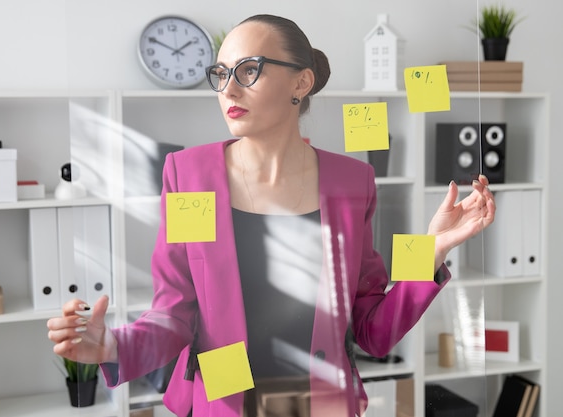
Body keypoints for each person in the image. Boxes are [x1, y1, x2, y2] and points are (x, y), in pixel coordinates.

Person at [47, 14, 496, 417]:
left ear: (301, 83)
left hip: (322, 404)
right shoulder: (189, 174)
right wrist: (113, 345)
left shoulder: (351, 182)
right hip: (224, 401)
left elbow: (371, 329)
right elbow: (176, 313)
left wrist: (430, 253)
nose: (230, 90)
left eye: (249, 70)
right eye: (220, 75)